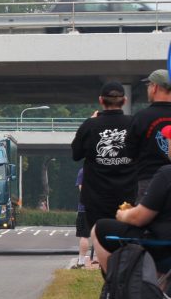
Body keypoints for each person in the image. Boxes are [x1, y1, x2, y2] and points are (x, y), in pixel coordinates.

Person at [91, 124, 171, 274]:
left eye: (169, 141)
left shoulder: (166, 174)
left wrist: (123, 214)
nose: (167, 144)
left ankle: (120, 288)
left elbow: (140, 218)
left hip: (161, 245)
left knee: (99, 228)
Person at [70, 81, 135, 264]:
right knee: (126, 234)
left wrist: (92, 122)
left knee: (99, 234)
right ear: (124, 100)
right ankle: (125, 269)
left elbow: (76, 154)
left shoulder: (90, 125)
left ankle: (107, 273)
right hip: (128, 194)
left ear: (101, 100)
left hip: (96, 196)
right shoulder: (134, 124)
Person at [125, 69, 171, 200]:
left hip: (149, 180)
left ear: (155, 87)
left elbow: (129, 152)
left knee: (146, 219)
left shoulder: (141, 117)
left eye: (148, 85)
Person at [72, 167, 89, 268]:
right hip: (101, 207)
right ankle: (103, 263)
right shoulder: (103, 169)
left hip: (85, 208)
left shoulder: (83, 171)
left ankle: (81, 262)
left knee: (84, 236)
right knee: (100, 235)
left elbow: (81, 189)